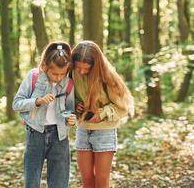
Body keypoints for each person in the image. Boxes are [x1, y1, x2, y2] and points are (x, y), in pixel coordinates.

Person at [13, 41, 76, 188]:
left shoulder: (69, 83)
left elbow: (71, 110)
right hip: (36, 133)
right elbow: (16, 104)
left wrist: (72, 118)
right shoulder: (33, 76)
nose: (58, 77)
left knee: (59, 183)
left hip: (60, 136)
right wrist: (37, 101)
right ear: (45, 66)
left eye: (63, 74)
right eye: (54, 73)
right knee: (32, 181)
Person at [71, 40, 134, 188]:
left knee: (101, 180)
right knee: (87, 179)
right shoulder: (71, 72)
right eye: (78, 67)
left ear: (95, 65)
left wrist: (102, 113)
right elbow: (66, 96)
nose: (81, 72)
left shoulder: (108, 77)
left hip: (105, 131)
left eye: (86, 69)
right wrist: (75, 105)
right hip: (83, 129)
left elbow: (125, 107)